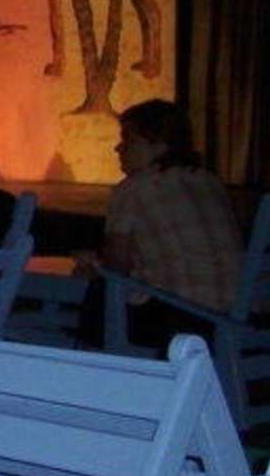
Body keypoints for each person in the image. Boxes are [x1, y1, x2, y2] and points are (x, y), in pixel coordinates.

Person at [74, 99, 244, 348]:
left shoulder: (133, 189)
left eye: (128, 140)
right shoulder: (210, 182)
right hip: (238, 313)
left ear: (160, 145)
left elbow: (117, 268)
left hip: (183, 318)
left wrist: (92, 265)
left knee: (99, 299)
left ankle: (82, 363)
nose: (118, 148)